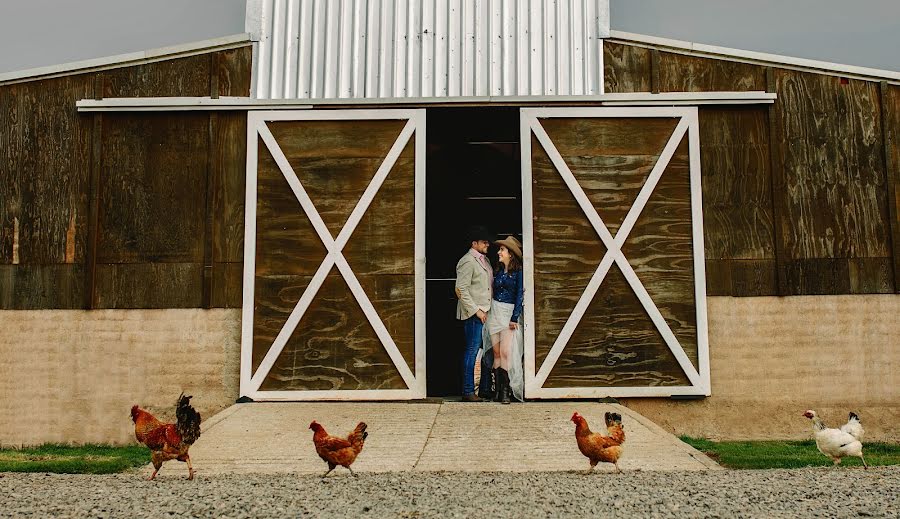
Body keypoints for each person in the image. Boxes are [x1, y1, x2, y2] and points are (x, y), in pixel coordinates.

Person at [483, 235, 524, 404]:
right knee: (497, 353)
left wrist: (515, 317)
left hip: (508, 314)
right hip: (495, 312)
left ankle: (506, 391)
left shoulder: (518, 273)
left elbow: (519, 294)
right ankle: (498, 391)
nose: (499, 252)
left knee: (507, 352)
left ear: (510, 254)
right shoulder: (498, 271)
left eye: (502, 250)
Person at [455, 225, 493, 402]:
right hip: (474, 314)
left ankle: (485, 389)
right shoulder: (467, 261)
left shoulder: (485, 260)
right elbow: (460, 289)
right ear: (474, 243)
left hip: (487, 312)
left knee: (487, 351)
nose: (487, 244)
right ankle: (468, 391)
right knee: (472, 351)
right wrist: (476, 311)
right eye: (484, 242)